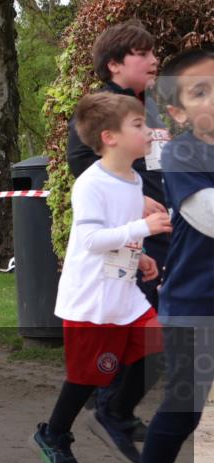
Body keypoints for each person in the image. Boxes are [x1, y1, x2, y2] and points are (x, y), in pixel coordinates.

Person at [30, 92, 170, 463]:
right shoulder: (91, 183)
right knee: (86, 377)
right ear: (110, 137)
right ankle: (54, 434)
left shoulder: (133, 178)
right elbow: (91, 239)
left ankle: (115, 414)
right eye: (138, 126)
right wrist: (144, 228)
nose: (148, 132)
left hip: (122, 291)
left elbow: (115, 234)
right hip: (91, 298)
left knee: (159, 344)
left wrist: (138, 255)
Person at [137, 49, 214, 463]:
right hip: (193, 304)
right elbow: (206, 216)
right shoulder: (183, 153)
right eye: (199, 92)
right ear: (177, 112)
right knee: (184, 409)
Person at [67, 20, 169, 305]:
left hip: (160, 230)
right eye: (143, 54)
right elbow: (79, 159)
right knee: (125, 306)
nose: (154, 60)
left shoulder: (149, 106)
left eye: (153, 53)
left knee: (156, 311)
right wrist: (136, 198)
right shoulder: (101, 107)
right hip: (129, 233)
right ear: (114, 64)